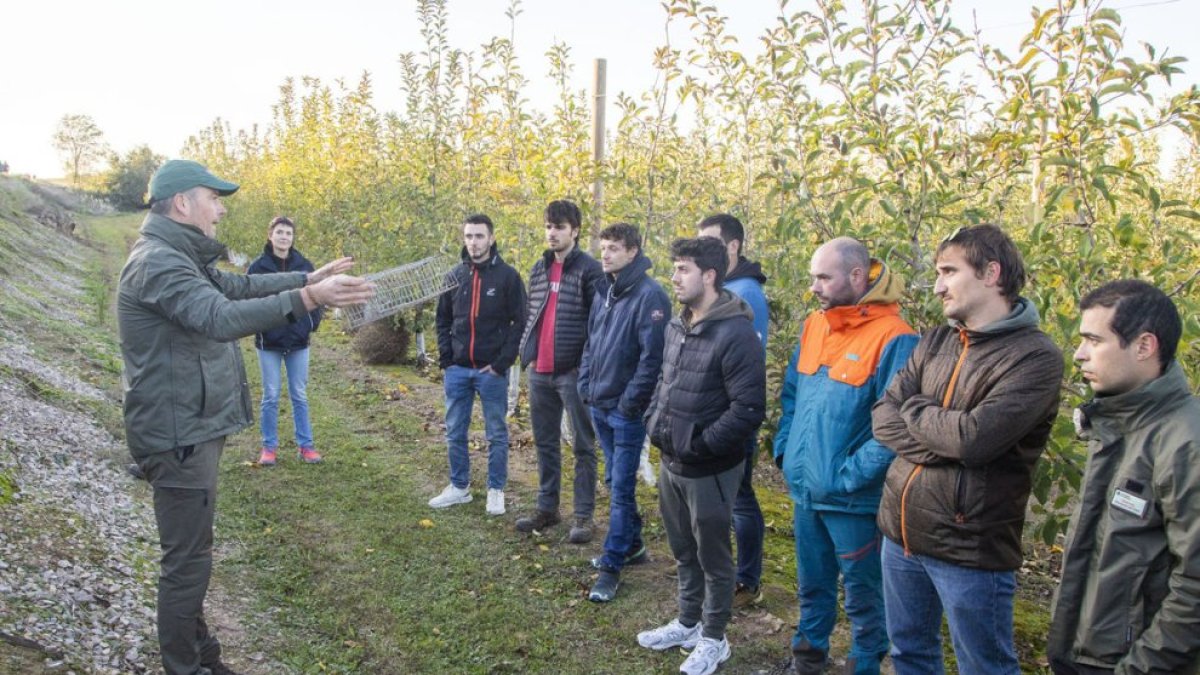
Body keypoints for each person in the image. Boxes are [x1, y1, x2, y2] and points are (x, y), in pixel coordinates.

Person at [118, 159, 373, 675]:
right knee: (186, 565)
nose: (222, 207)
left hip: (186, 426)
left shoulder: (176, 253)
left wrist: (306, 276)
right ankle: (186, 667)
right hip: (177, 433)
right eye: (214, 197)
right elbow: (219, 317)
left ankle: (201, 658)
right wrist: (306, 297)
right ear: (183, 203)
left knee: (193, 558)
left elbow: (233, 290)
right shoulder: (160, 262)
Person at [871, 224, 1064, 675]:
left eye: (948, 271)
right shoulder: (937, 339)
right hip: (901, 536)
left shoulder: (1034, 357)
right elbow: (883, 417)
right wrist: (944, 436)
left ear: (991, 273)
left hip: (968, 547)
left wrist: (916, 411)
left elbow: (973, 440)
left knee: (985, 667)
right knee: (909, 655)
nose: (937, 285)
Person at [774, 238, 917, 674]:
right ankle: (808, 660)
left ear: (856, 277)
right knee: (812, 586)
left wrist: (849, 476)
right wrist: (785, 450)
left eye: (823, 277)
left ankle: (864, 666)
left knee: (864, 596)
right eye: (813, 276)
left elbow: (896, 428)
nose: (814, 286)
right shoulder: (815, 325)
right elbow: (793, 396)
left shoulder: (897, 337)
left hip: (853, 499)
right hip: (806, 490)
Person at [1047, 280, 1200, 675]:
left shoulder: (1185, 441)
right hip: (1086, 652)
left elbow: (1195, 583)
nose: (1079, 354)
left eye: (1094, 341)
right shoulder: (1117, 422)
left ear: (1144, 346)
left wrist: (1140, 666)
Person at [638, 236, 766, 675]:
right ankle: (688, 622)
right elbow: (664, 382)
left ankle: (715, 637)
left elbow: (748, 410)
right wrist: (655, 422)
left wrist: (700, 444)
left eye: (683, 269)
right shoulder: (678, 324)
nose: (673, 277)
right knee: (682, 549)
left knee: (714, 556)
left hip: (708, 468)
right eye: (674, 268)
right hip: (671, 462)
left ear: (709, 276)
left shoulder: (736, 333)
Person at [577, 223, 671, 602]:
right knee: (616, 483)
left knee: (620, 487)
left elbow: (652, 360)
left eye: (614, 248)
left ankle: (612, 565)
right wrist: (585, 384)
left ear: (633, 252)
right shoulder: (604, 290)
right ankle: (633, 545)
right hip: (598, 403)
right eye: (603, 247)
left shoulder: (651, 297)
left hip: (625, 412)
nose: (605, 254)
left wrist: (629, 404)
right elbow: (592, 342)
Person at [515, 200, 606, 542]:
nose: (552, 233)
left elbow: (598, 324)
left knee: (584, 445)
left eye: (560, 227)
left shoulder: (589, 270)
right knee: (545, 442)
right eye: (549, 226)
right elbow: (531, 313)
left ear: (575, 231)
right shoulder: (539, 268)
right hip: (540, 369)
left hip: (573, 372)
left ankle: (583, 516)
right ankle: (547, 508)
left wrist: (586, 365)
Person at [430, 214, 526, 516]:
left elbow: (520, 322)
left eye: (479, 236)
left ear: (492, 238)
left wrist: (501, 364)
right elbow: (442, 319)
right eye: (469, 236)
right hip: (458, 370)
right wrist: (447, 360)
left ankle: (495, 489)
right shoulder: (454, 276)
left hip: (491, 372)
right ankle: (459, 487)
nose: (474, 242)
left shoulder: (508, 277)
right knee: (455, 429)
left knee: (496, 433)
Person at [697, 213, 769, 607]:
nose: (702, 250)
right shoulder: (723, 287)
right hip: (711, 414)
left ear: (733, 246)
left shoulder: (745, 292)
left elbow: (743, 363)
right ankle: (722, 573)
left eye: (710, 242)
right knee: (719, 500)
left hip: (732, 416)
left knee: (739, 498)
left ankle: (747, 580)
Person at [247, 216, 323, 465]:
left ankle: (306, 445)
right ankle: (269, 447)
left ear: (293, 237)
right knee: (270, 394)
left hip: (298, 342)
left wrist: (310, 324)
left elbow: (317, 296)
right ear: (270, 235)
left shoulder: (304, 265)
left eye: (288, 233)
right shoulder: (258, 267)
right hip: (269, 342)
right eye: (279, 232)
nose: (284, 237)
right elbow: (249, 301)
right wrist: (261, 326)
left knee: (299, 394)